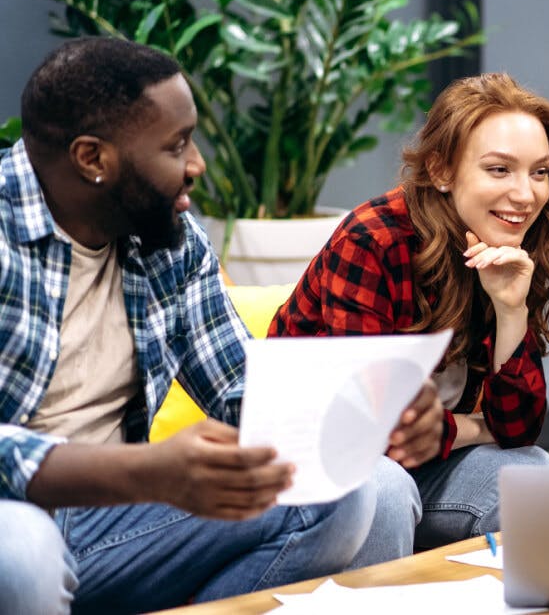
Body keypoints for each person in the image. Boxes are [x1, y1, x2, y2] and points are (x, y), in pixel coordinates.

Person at [0, 37, 432, 614]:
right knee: (22, 548)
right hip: (17, 517)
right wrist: (145, 472)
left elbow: (243, 393)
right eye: (176, 145)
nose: (197, 165)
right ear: (92, 159)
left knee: (360, 488)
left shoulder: (168, 242)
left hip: (114, 526)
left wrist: (379, 406)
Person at [269, 72, 549, 549]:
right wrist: (473, 428)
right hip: (315, 466)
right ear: (441, 170)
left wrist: (511, 309)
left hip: (424, 468)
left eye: (539, 172)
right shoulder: (374, 240)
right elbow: (377, 434)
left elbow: (518, 429)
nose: (526, 194)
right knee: (386, 489)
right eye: (499, 170)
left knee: (535, 478)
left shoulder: (510, 242)